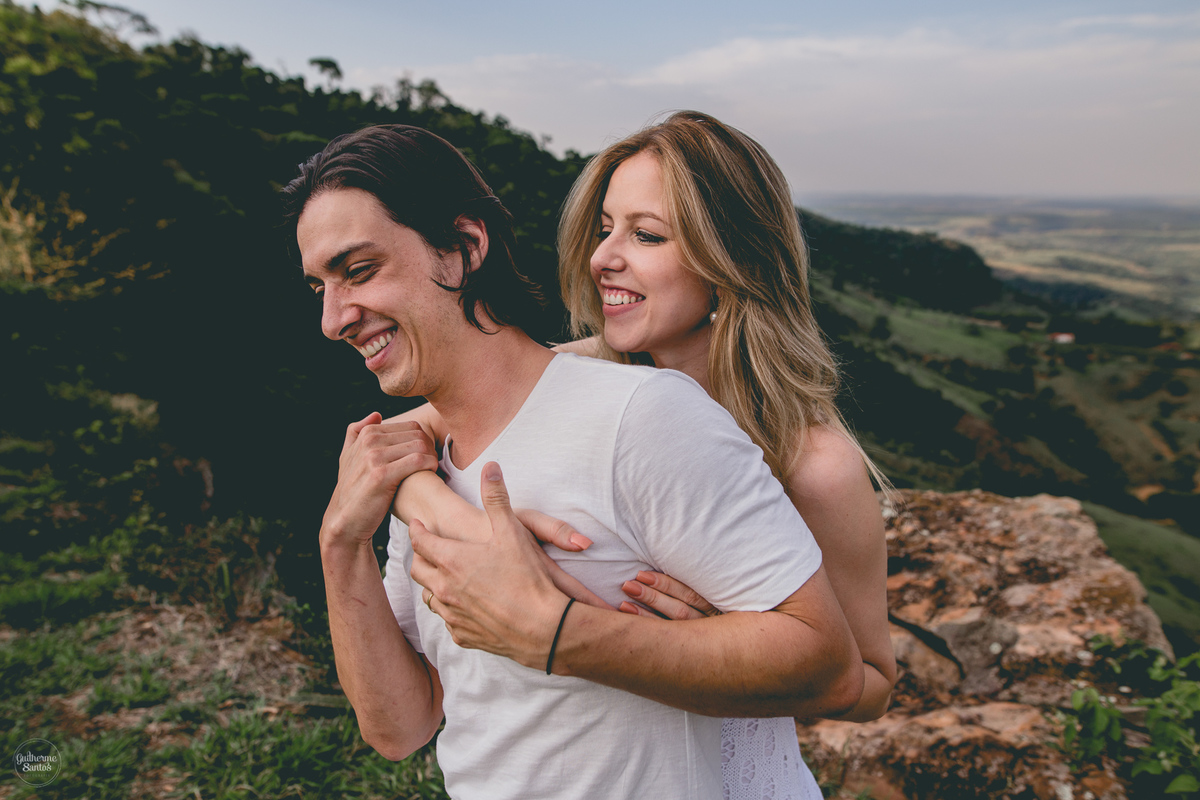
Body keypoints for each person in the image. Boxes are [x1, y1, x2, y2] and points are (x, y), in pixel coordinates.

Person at [283, 123, 862, 800]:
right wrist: (340, 540)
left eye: (358, 271)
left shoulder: (644, 416)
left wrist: (551, 631)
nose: (333, 319)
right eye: (318, 286)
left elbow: (831, 668)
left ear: (464, 249)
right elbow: (400, 728)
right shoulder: (423, 463)